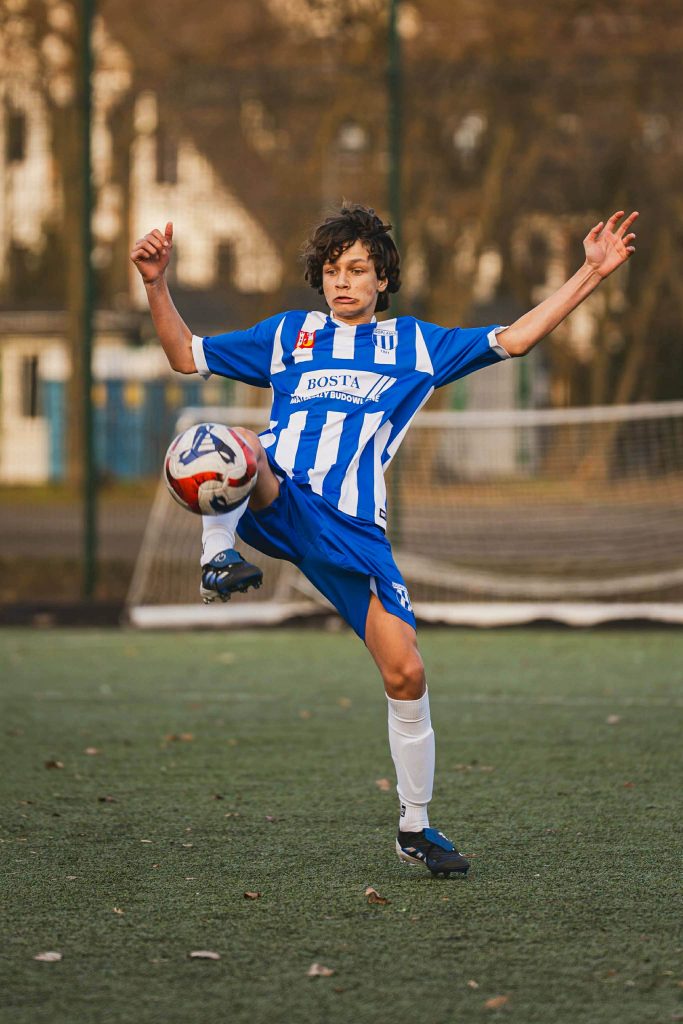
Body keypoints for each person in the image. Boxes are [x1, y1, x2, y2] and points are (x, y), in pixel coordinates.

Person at [131, 203, 637, 877]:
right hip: (277, 494)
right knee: (234, 441)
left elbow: (514, 339)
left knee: (407, 672)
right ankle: (216, 556)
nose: (342, 282)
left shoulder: (416, 346)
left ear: (382, 279)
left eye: (356, 269)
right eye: (332, 270)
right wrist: (155, 282)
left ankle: (414, 829)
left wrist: (590, 273)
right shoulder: (288, 334)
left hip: (351, 529)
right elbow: (183, 354)